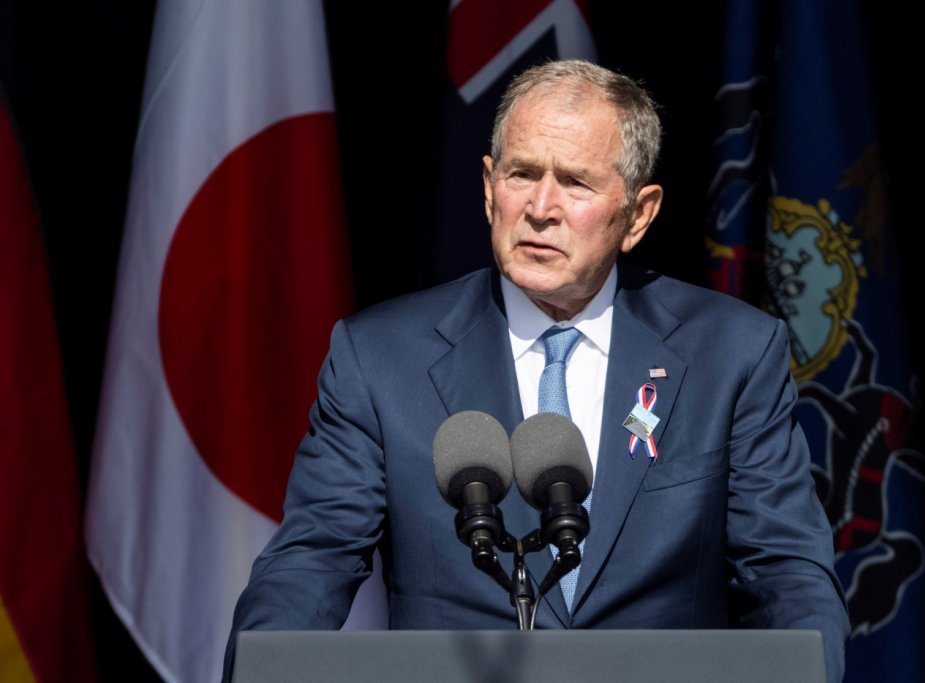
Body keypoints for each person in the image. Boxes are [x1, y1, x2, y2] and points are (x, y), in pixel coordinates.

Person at [224, 60, 849, 681]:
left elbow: (787, 574)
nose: (540, 207)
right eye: (522, 174)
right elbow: (309, 566)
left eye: (575, 183)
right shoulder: (381, 358)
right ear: (488, 186)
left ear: (638, 215)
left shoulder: (732, 353)